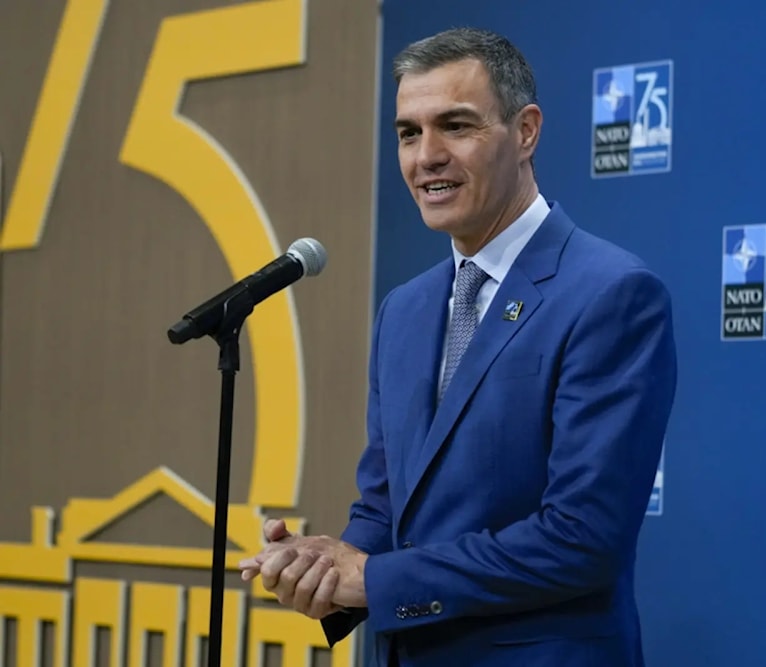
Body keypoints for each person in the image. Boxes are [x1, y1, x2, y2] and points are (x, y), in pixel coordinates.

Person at [239, 26, 678, 667]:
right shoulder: (405, 309)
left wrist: (377, 580)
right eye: (408, 133)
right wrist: (325, 569)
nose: (427, 156)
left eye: (457, 126)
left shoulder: (613, 294)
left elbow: (582, 539)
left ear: (525, 131)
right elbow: (388, 504)